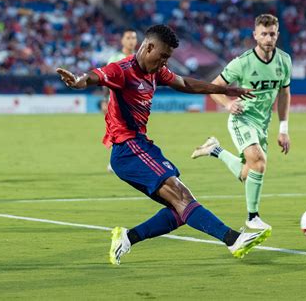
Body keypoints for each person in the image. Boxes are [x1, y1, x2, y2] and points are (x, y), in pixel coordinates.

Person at [56, 25, 270, 265]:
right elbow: (95, 77)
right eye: (163, 56)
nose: (165, 62)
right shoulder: (122, 70)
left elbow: (186, 84)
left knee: (180, 210)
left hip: (141, 147)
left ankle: (127, 237)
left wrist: (225, 89)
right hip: (128, 148)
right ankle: (233, 239)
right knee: (182, 197)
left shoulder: (156, 72)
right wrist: (78, 81)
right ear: (149, 47)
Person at [191, 14, 292, 232]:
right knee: (259, 160)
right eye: (263, 34)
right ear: (255, 35)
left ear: (277, 35)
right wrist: (227, 104)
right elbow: (214, 86)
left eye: (272, 34)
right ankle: (252, 217)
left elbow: (284, 93)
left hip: (262, 124)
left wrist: (283, 129)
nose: (268, 38)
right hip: (242, 119)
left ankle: (214, 149)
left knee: (248, 172)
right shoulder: (242, 63)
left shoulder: (284, 60)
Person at [103, 29, 138, 173]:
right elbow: (106, 79)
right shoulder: (115, 58)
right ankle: (116, 161)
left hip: (135, 103)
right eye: (128, 37)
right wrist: (105, 100)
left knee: (134, 133)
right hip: (117, 103)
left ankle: (124, 161)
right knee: (120, 132)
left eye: (134, 38)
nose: (131, 40)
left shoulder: (139, 58)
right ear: (122, 40)